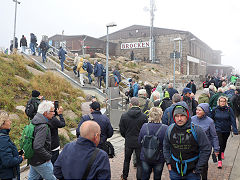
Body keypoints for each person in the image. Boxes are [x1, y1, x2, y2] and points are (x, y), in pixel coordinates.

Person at [163, 102, 212, 180]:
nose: (179, 119)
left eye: (182, 115)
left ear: (187, 116)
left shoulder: (197, 130)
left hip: (192, 172)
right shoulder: (170, 130)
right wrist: (169, 163)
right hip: (175, 171)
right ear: (174, 117)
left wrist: (198, 168)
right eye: (177, 116)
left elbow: (206, 149)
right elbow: (166, 147)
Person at [119, 97, 148, 180]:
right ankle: (139, 178)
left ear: (130, 105)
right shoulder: (144, 116)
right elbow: (145, 130)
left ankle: (124, 176)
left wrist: (126, 136)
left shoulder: (124, 116)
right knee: (139, 163)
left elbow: (122, 129)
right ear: (138, 105)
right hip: (139, 141)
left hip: (128, 141)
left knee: (127, 160)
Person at [28, 101, 56, 180]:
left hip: (33, 159)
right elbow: (37, 146)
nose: (54, 113)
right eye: (52, 111)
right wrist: (48, 157)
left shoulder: (34, 120)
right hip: (41, 161)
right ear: (45, 113)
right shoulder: (43, 126)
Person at [191, 103, 220, 179]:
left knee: (203, 166)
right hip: (193, 147)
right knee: (193, 165)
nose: (197, 111)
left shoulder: (210, 121)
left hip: (205, 148)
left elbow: (214, 136)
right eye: (197, 109)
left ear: (205, 111)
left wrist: (216, 149)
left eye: (199, 110)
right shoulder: (192, 119)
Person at [138, 107, 168, 180]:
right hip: (159, 157)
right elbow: (166, 145)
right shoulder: (165, 128)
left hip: (145, 156)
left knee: (145, 176)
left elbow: (139, 141)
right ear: (160, 115)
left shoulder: (144, 126)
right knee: (157, 177)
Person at [211, 96, 238, 168]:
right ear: (218, 102)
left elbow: (233, 119)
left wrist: (235, 129)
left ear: (226, 102)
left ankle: (222, 151)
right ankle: (219, 161)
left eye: (224, 101)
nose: (222, 103)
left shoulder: (229, 109)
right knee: (219, 143)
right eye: (221, 101)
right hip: (218, 129)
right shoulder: (215, 109)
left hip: (226, 129)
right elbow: (211, 119)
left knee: (224, 142)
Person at [0, 111, 24, 180]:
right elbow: (8, 161)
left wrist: (17, 154)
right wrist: (21, 158)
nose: (10, 122)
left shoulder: (4, 136)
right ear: (2, 123)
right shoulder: (3, 139)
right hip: (9, 176)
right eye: (8, 120)